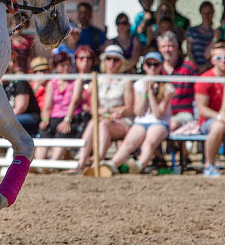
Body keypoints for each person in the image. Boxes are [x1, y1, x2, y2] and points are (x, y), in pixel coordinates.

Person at [106, 51, 173, 173]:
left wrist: (150, 93)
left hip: (159, 122)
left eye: (156, 64)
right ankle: (112, 165)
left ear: (161, 66)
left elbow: (158, 114)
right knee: (129, 143)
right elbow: (139, 112)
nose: (152, 67)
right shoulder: (139, 84)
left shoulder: (168, 87)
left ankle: (139, 165)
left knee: (149, 142)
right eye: (149, 64)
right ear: (144, 66)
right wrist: (145, 93)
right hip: (141, 121)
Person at [74, 44, 134, 172]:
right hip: (103, 118)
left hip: (122, 120)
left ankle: (97, 161)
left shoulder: (126, 81)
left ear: (121, 62)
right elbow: (91, 105)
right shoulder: (98, 79)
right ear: (104, 61)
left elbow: (129, 108)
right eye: (109, 59)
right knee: (93, 124)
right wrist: (104, 113)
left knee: (102, 125)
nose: (112, 62)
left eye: (115, 59)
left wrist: (107, 112)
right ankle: (81, 163)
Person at [194, 41, 225, 177]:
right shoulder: (205, 79)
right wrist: (219, 116)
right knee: (218, 126)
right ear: (212, 61)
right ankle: (209, 165)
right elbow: (201, 110)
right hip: (208, 122)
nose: (223, 61)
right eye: (219, 58)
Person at [35, 51, 82, 163]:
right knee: (44, 130)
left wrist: (67, 120)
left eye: (67, 65)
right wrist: (45, 120)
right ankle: (38, 163)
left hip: (71, 117)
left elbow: (74, 102)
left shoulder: (76, 81)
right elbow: (47, 106)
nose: (66, 68)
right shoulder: (52, 83)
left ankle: (53, 163)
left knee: (63, 131)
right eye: (62, 65)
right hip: (53, 117)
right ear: (56, 67)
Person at [156, 31, 198, 130]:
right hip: (161, 113)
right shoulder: (157, 69)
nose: (167, 50)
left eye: (170, 46)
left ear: (176, 47)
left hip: (185, 114)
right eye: (163, 46)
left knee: (172, 125)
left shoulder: (189, 68)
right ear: (159, 49)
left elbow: (198, 94)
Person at [186, 1, 216, 72]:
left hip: (211, 70)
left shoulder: (215, 34)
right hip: (195, 69)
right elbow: (189, 52)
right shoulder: (192, 31)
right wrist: (196, 67)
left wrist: (206, 67)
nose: (207, 16)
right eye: (204, 13)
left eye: (209, 13)